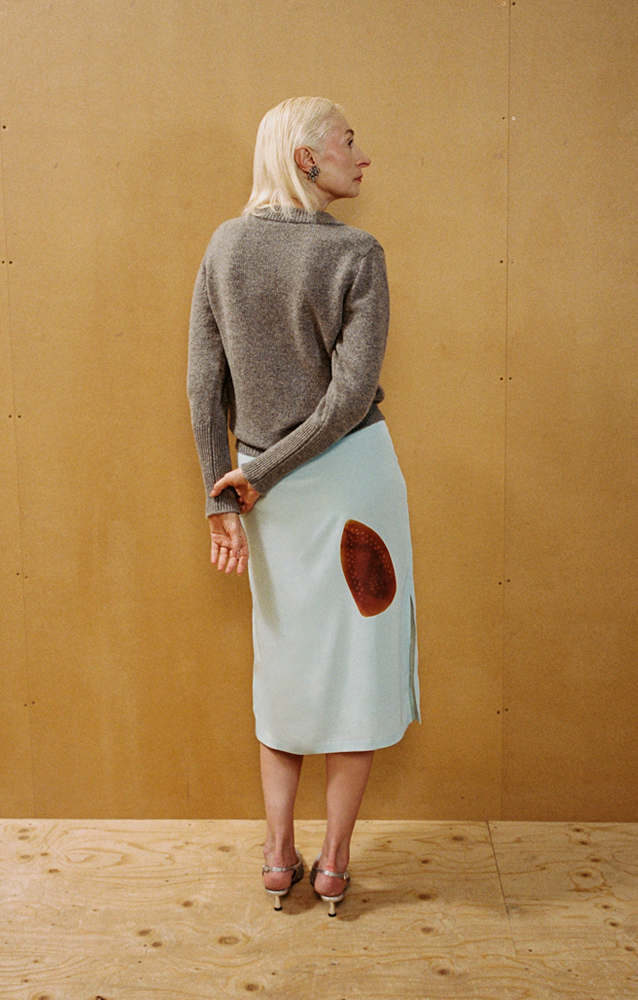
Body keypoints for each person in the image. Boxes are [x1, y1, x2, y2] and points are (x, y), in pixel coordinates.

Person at [187, 97, 419, 916]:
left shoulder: (225, 245)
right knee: (355, 666)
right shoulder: (357, 255)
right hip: (354, 485)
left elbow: (202, 384)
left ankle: (278, 853)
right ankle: (334, 861)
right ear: (306, 157)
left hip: (264, 487)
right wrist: (254, 482)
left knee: (284, 660)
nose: (364, 156)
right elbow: (351, 399)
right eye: (349, 141)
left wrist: (233, 487)